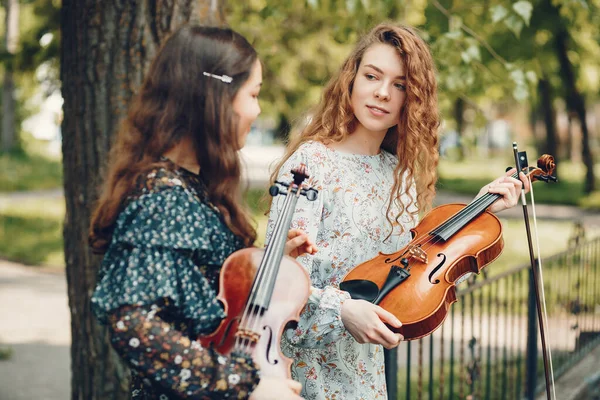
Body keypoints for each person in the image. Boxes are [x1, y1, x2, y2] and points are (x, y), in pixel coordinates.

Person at [266, 23, 529, 399]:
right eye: (372, 76)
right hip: (303, 372)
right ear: (351, 80)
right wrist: (343, 311)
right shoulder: (311, 163)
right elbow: (277, 280)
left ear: (412, 98)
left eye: (400, 85)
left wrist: (480, 209)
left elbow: (414, 270)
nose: (382, 93)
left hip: (366, 376)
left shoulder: (398, 175)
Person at [89, 25, 314, 400]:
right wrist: (245, 384)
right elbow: (133, 324)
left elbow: (200, 297)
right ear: (217, 97)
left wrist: (266, 268)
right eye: (254, 94)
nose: (257, 110)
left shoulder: (192, 183)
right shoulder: (164, 197)